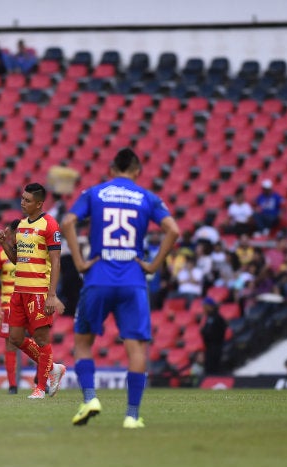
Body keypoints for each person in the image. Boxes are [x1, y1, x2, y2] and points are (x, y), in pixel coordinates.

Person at [60, 148, 180, 428]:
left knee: (83, 342)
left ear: (111, 169)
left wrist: (79, 261)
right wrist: (153, 266)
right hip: (133, 279)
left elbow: (67, 222)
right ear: (137, 171)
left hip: (98, 275)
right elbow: (173, 230)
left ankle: (90, 398)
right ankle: (132, 416)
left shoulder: (95, 193)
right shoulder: (147, 197)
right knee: (136, 347)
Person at [0, 182, 67, 399]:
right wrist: (5, 243)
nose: (22, 203)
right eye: (22, 199)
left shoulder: (50, 225)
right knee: (15, 338)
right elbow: (17, 259)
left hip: (38, 291)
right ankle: (53, 367)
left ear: (39, 203)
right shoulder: (23, 226)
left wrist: (51, 295)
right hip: (18, 292)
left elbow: (56, 262)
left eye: (27, 200)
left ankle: (40, 388)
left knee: (42, 339)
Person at [0, 219, 20, 394]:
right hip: (9, 304)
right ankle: (12, 386)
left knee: (39, 340)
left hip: (30, 300)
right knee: (11, 343)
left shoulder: (30, 252)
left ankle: (42, 379)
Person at [199, 297, 227, 374]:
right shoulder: (209, 317)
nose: (203, 308)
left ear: (210, 306)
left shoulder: (217, 317)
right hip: (209, 347)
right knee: (209, 367)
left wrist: (204, 332)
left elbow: (217, 332)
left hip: (216, 346)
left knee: (214, 367)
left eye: (204, 306)